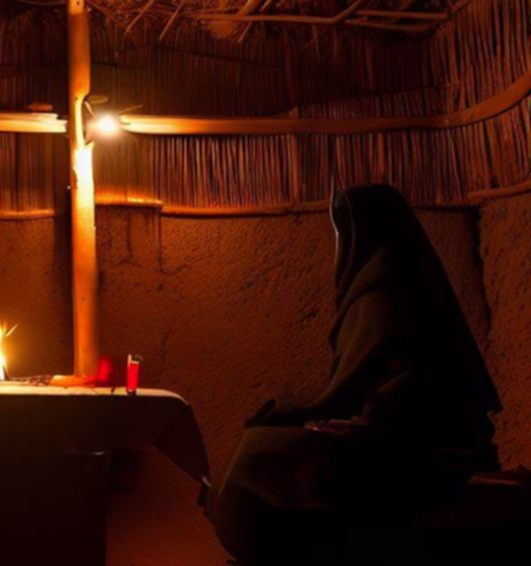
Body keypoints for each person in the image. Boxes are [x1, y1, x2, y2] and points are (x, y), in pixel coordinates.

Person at [207, 185, 502, 566]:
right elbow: (371, 379)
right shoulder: (381, 284)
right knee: (267, 448)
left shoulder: (388, 290)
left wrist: (334, 418)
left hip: (425, 446)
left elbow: (398, 388)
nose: (339, 242)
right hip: (395, 431)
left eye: (341, 229)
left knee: (263, 455)